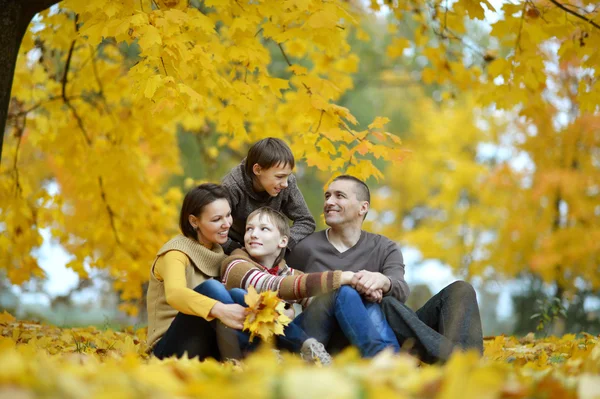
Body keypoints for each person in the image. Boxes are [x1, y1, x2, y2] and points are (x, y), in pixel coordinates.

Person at [286, 175, 484, 363]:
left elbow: (401, 289)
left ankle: (460, 363)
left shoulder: (384, 247)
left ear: (363, 208)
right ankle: (463, 362)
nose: (329, 201)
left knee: (460, 290)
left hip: (385, 330)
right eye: (327, 196)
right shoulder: (305, 247)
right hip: (337, 338)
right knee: (382, 304)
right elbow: (273, 276)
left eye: (340, 196)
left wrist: (384, 281)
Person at [221, 207, 400, 360]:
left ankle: (392, 360)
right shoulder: (235, 264)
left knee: (347, 293)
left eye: (264, 229)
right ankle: (377, 356)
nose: (253, 234)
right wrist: (343, 277)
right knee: (339, 288)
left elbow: (321, 303)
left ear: (283, 241)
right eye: (249, 229)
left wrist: (363, 289)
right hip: (259, 350)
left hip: (295, 343)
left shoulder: (288, 272)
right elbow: (273, 285)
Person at [146, 183, 247, 361]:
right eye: (217, 219)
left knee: (239, 293)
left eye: (228, 215)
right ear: (194, 221)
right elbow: (175, 294)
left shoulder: (220, 254)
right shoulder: (175, 253)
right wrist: (220, 310)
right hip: (168, 350)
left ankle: (297, 343)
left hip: (207, 344)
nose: (227, 224)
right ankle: (256, 353)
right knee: (211, 288)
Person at [221, 137, 316, 254]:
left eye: (288, 176)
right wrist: (236, 249)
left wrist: (281, 243)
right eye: (279, 177)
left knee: (306, 249)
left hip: (272, 247)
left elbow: (306, 221)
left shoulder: (287, 183)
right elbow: (214, 228)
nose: (285, 184)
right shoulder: (231, 187)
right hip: (236, 248)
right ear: (257, 170)